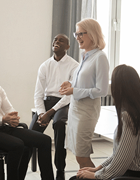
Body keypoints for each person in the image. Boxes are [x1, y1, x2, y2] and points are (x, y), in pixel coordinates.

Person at [70, 65, 140, 180]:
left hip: (131, 174)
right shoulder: (133, 111)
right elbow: (119, 153)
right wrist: (99, 168)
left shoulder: (129, 117)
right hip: (128, 172)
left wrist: (98, 175)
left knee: (76, 178)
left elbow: (123, 160)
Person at [59, 18, 109, 168]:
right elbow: (83, 84)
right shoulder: (84, 57)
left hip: (86, 112)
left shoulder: (100, 57)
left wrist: (74, 90)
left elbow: (102, 90)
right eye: (77, 34)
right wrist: (71, 85)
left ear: (93, 34)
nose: (78, 38)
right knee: (78, 155)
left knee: (82, 156)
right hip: (75, 110)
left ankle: (97, 177)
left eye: (81, 33)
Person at [30, 34, 79, 180]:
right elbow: (38, 94)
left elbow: (69, 95)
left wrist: (51, 112)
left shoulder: (74, 65)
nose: (56, 42)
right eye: (55, 40)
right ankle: (20, 170)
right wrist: (41, 113)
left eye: (61, 41)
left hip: (64, 103)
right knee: (30, 133)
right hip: (47, 102)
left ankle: (60, 169)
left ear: (67, 47)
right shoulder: (45, 65)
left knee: (59, 123)